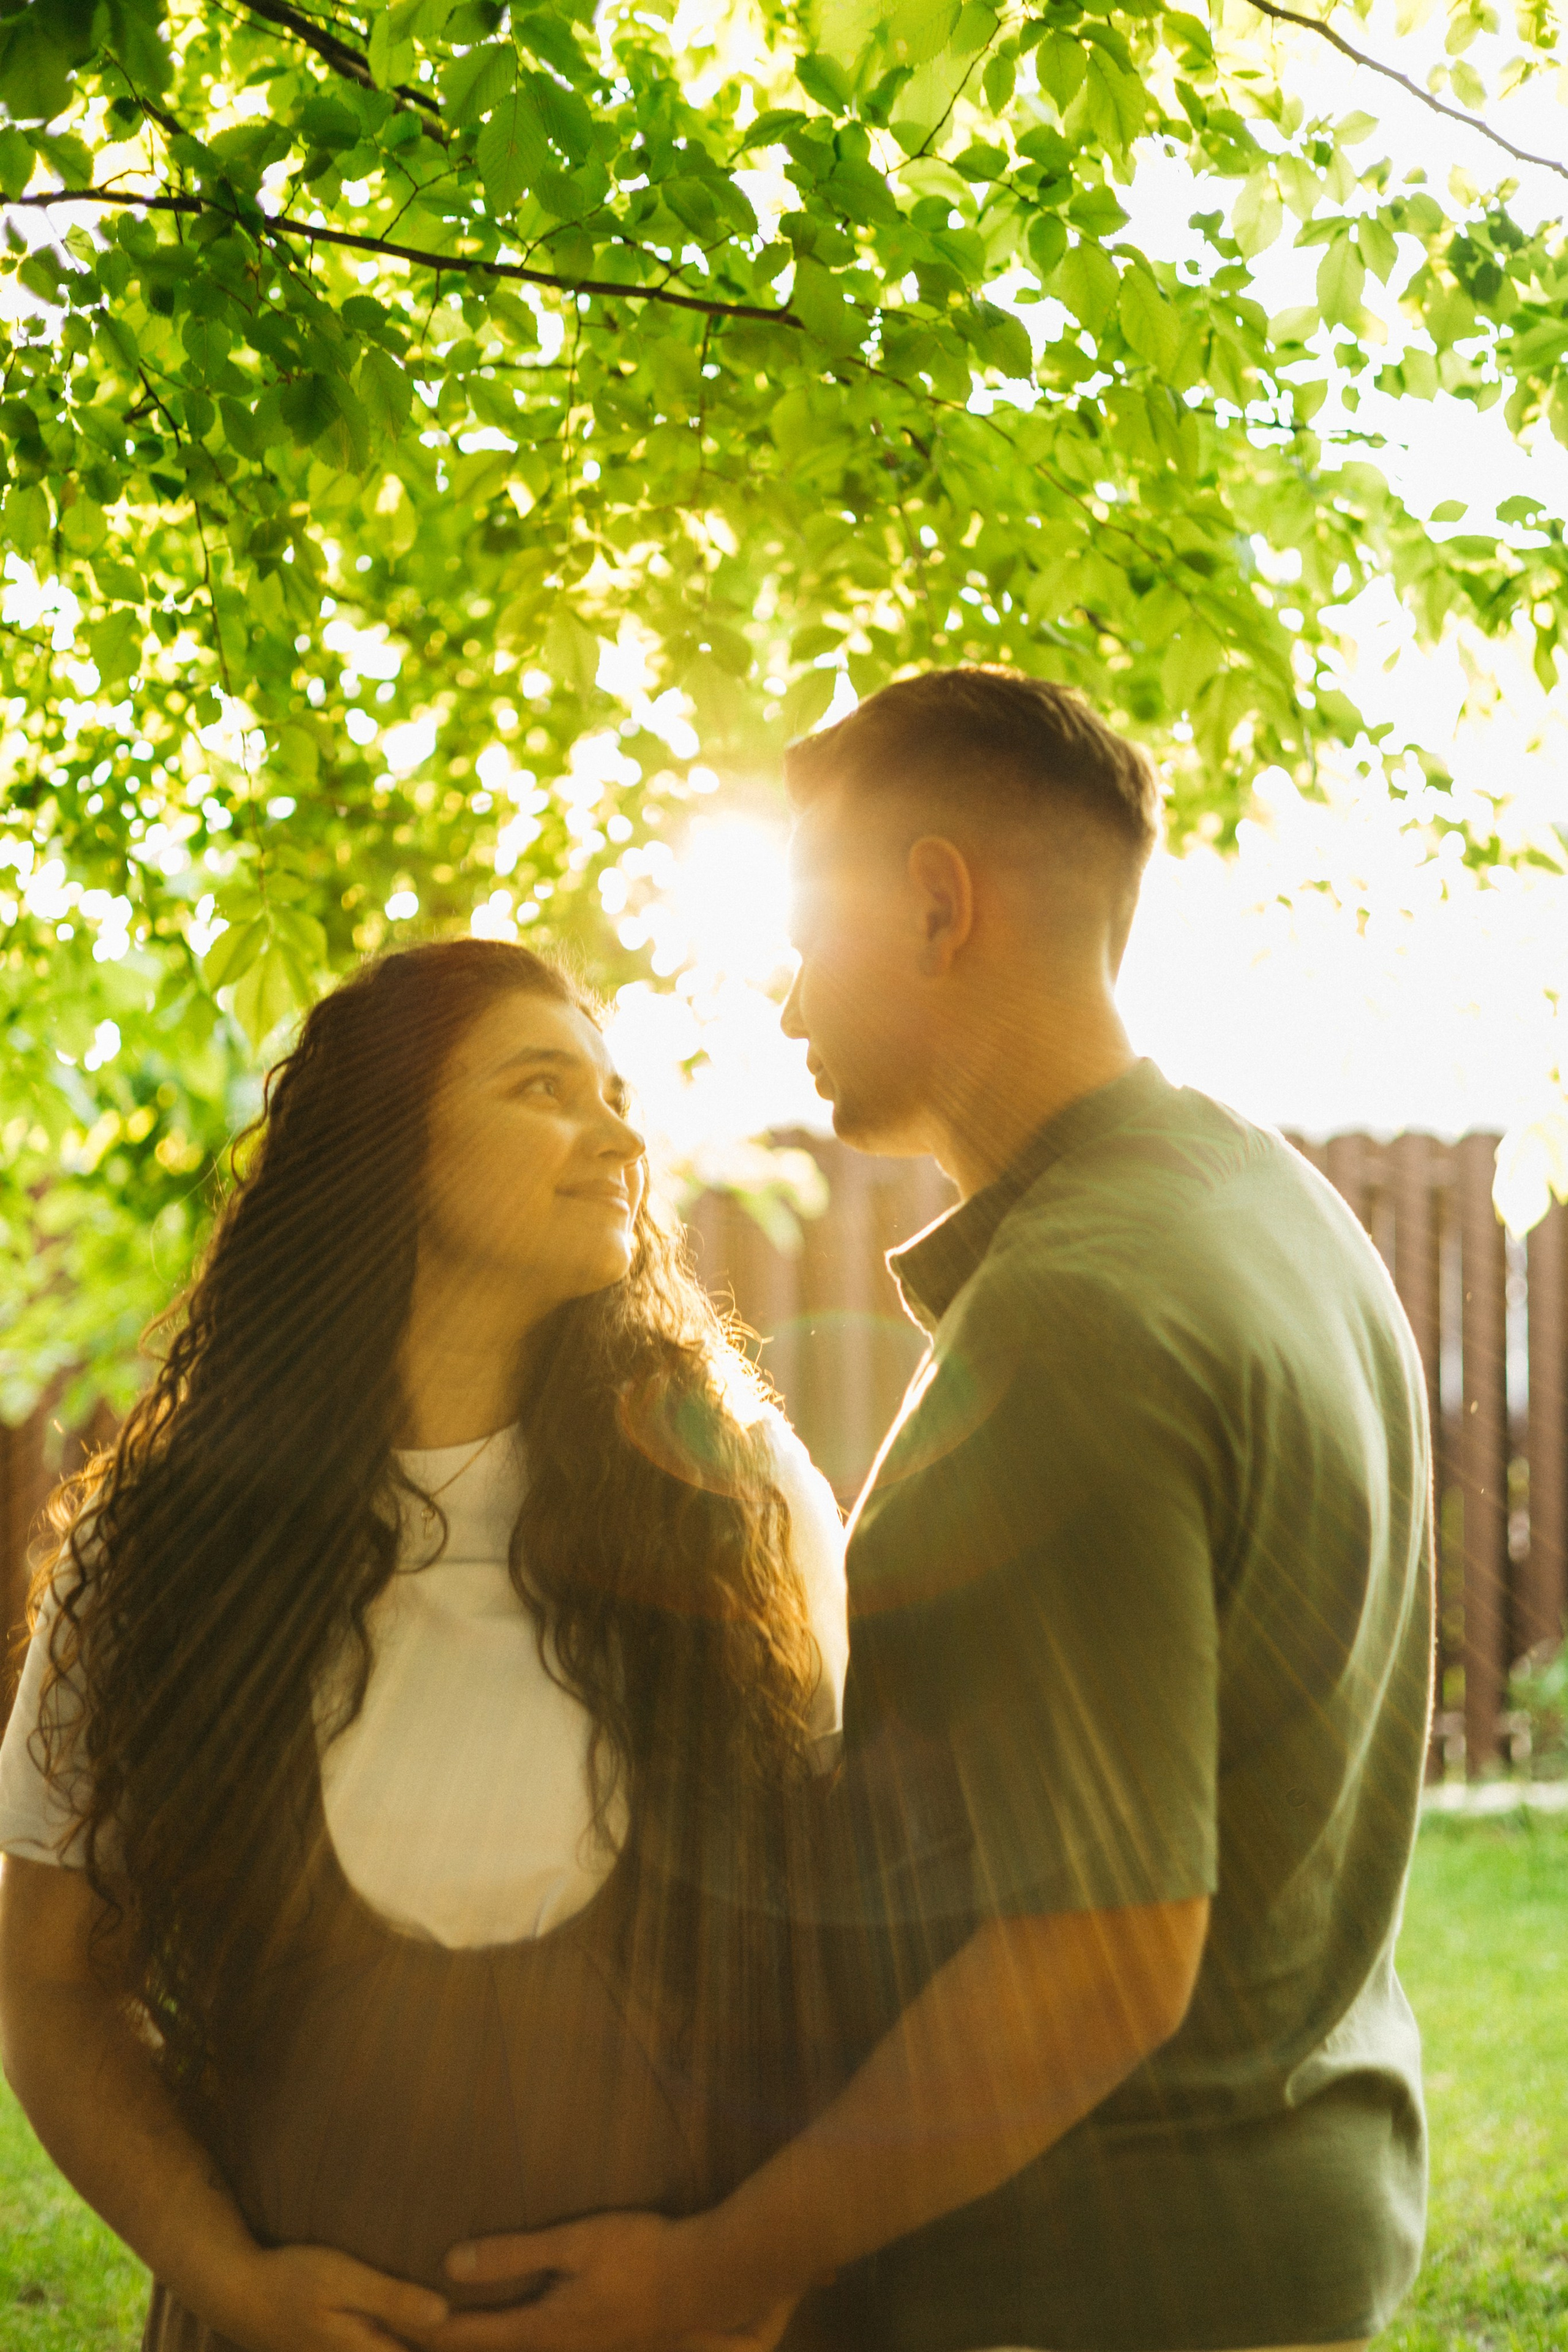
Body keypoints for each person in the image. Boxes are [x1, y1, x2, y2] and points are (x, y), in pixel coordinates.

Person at [442, 668, 1433, 2352]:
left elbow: (1106, 1952)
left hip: (1092, 2289)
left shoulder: (1082, 1312)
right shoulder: (1269, 1204)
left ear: (932, 900)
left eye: (804, 924)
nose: (777, 987)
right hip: (1263, 2232)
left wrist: (719, 2268)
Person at [0, 937, 848, 2352]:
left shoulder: (735, 1500)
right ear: (387, 1151)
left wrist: (737, 2291)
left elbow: (834, 1958)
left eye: (618, 1093)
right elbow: (46, 1977)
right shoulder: (159, 1546)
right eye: (544, 1087)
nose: (620, 1134)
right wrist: (233, 2279)